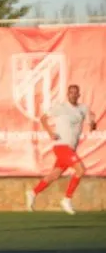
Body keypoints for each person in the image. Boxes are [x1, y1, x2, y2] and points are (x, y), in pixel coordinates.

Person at [27, 84, 97, 215]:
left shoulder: (83, 108)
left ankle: (32, 193)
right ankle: (67, 199)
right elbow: (43, 119)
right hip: (61, 146)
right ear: (68, 94)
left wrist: (93, 123)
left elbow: (91, 126)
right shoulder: (61, 107)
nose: (73, 95)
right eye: (71, 92)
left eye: (76, 92)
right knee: (80, 170)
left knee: (54, 175)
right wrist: (50, 133)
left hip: (71, 148)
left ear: (79, 94)